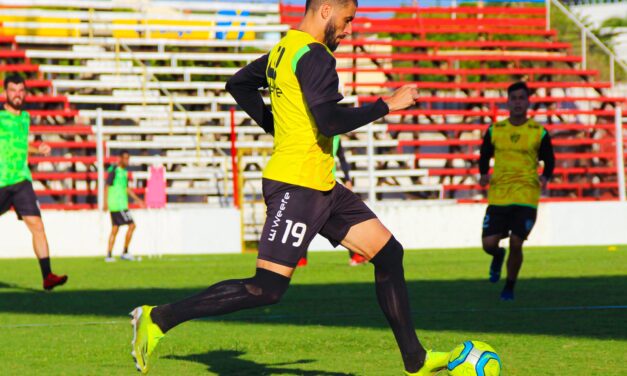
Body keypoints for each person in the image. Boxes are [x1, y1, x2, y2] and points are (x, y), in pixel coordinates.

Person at [129, 1, 449, 375]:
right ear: (326, 10)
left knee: (389, 254)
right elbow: (329, 120)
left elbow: (239, 84)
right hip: (297, 187)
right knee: (266, 288)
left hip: (322, 184)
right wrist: (386, 105)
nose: (348, 31)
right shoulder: (315, 57)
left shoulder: (284, 50)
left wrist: (276, 127)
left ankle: (416, 359)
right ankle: (157, 318)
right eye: (347, 21)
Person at [479, 81, 555, 301]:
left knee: (516, 241)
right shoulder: (496, 130)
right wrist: (483, 173)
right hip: (499, 194)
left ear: (528, 101)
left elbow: (549, 158)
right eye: (514, 99)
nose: (518, 102)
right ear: (507, 102)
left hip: (526, 195)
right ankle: (497, 256)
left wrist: (546, 176)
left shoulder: (538, 132)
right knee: (489, 244)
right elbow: (484, 155)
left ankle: (509, 287)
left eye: (522, 98)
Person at [0, 74, 68, 291]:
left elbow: (19, 144)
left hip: (21, 180)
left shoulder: (26, 117)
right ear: (5, 93)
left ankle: (47, 276)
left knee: (37, 226)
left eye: (21, 90)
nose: (17, 94)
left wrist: (37, 148)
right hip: (1, 180)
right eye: (13, 90)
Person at [297, 136, 368, 267]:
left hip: (328, 184)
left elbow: (342, 158)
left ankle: (357, 255)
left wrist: (347, 178)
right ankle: (301, 259)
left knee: (312, 222)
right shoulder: (315, 135)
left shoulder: (336, 138)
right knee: (310, 223)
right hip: (313, 184)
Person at [104, 150, 145, 262]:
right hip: (118, 204)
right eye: (125, 158)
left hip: (119, 204)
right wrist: (105, 203)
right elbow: (107, 186)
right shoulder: (114, 170)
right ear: (120, 158)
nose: (127, 161)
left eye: (128, 158)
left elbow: (126, 189)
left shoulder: (124, 172)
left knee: (115, 229)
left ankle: (109, 255)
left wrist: (138, 200)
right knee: (132, 225)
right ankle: (125, 252)